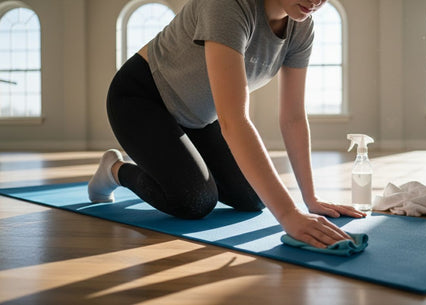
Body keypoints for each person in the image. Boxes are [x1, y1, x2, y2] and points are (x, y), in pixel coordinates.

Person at [88, 0, 366, 249]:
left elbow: (293, 117)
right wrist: (288, 214)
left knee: (253, 198)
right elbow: (234, 120)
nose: (316, 1)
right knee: (195, 200)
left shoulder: (301, 26)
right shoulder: (228, 5)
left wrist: (310, 199)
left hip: (200, 116)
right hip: (141, 98)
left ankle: (176, 164)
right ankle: (115, 170)